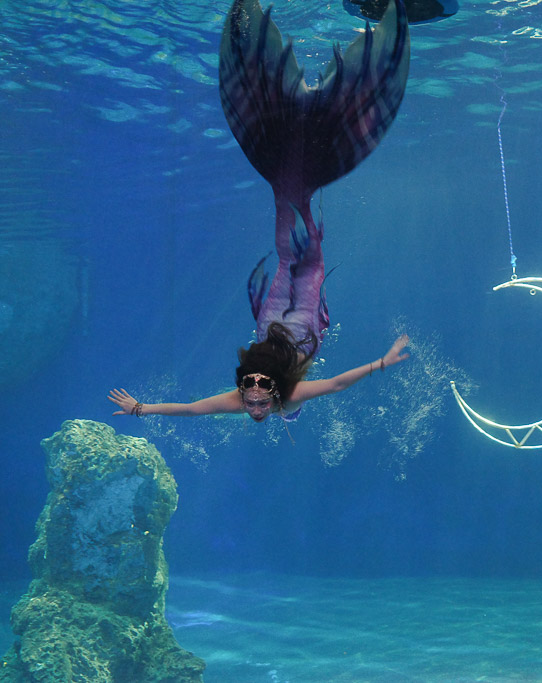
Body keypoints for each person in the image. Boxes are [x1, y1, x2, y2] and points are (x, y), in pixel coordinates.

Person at [109, 0, 412, 424]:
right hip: (306, 313)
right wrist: (383, 362)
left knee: (287, 235)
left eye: (250, 402)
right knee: (303, 256)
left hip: (271, 313)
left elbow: (193, 409)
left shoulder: (238, 395)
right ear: (276, 400)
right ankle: (339, 99)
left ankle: (287, 123)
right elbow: (340, 383)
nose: (252, 399)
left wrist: (140, 408)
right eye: (258, 403)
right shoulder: (290, 392)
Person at [109, 325, 409, 422]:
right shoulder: (239, 400)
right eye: (252, 403)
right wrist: (139, 409)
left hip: (284, 373)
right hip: (273, 369)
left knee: (303, 350)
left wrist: (382, 362)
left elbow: (336, 384)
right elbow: (190, 409)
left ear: (274, 395)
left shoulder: (291, 396)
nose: (254, 409)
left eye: (261, 404)